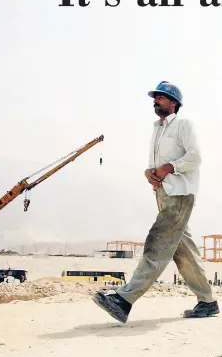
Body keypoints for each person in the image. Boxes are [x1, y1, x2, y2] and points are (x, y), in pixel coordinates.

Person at [92, 81, 220, 323]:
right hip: (164, 194)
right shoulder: (157, 130)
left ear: (174, 103)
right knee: (184, 253)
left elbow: (195, 157)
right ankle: (207, 301)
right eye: (155, 97)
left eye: (161, 97)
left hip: (180, 194)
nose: (156, 100)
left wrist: (169, 167)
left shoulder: (183, 125)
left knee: (157, 242)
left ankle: (124, 299)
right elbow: (158, 164)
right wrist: (150, 172)